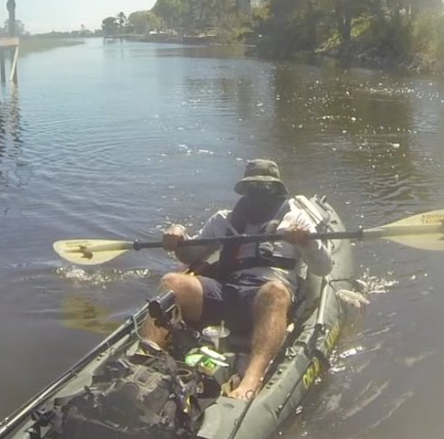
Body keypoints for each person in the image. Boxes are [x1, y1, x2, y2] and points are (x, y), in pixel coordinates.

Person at [140, 159, 333, 401]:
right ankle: (146, 359)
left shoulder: (297, 221)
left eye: (266, 190)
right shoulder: (224, 219)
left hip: (267, 296)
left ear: (277, 191)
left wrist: (306, 241)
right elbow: (190, 254)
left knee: (274, 291)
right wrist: (177, 235)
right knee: (173, 281)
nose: (258, 195)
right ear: (244, 191)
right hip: (226, 292)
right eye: (252, 189)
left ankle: (252, 378)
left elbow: (323, 268)